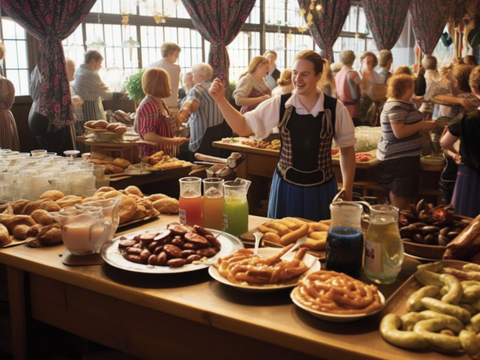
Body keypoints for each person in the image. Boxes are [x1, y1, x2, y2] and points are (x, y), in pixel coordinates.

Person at [209, 50, 356, 221]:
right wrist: (221, 100)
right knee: (282, 240)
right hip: (287, 188)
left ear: (318, 75)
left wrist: (347, 188)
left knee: (320, 240)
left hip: (321, 189)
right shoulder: (280, 104)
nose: (298, 79)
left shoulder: (335, 108)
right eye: (295, 73)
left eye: (305, 74)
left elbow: (347, 149)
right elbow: (243, 127)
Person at [376, 74, 437, 210]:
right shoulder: (395, 106)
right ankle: (400, 222)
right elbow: (399, 132)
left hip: (404, 157)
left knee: (404, 192)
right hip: (399, 159)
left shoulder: (402, 102)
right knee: (400, 192)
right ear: (408, 87)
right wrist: (422, 125)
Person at [436, 64, 480, 205]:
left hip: (470, 171)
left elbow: (444, 142)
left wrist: (455, 154)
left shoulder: (466, 116)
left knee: (464, 216)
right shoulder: (469, 103)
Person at [135, 68, 188, 158]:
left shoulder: (160, 102)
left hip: (165, 154)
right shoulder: (148, 105)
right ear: (159, 84)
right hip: (152, 156)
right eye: (167, 82)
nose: (169, 85)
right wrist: (173, 141)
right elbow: (148, 136)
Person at [176, 63, 224, 159]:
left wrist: (182, 115)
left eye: (193, 75)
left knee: (199, 165)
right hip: (218, 131)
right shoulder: (217, 87)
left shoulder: (197, 89)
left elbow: (190, 103)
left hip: (203, 135)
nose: (193, 78)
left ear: (200, 76)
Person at [72, 50, 122, 124]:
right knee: (95, 130)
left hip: (81, 109)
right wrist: (118, 94)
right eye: (100, 63)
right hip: (91, 110)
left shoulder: (78, 71)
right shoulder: (91, 74)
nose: (100, 66)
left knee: (86, 131)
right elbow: (105, 94)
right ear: (93, 61)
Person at [145, 42, 182, 120]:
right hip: (170, 105)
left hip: (151, 104)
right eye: (176, 56)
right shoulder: (176, 68)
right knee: (169, 130)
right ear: (169, 54)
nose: (176, 59)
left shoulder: (150, 65)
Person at [335, 50, 362, 126]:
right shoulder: (353, 73)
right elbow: (362, 88)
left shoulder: (338, 74)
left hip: (341, 107)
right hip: (353, 108)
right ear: (353, 60)